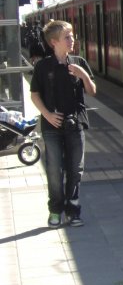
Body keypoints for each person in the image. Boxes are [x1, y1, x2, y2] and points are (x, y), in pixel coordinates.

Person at [29, 20, 97, 228]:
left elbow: (92, 91)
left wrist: (83, 75)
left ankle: (73, 210)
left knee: (75, 170)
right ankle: (55, 210)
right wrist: (48, 115)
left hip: (76, 124)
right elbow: (34, 95)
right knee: (54, 170)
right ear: (54, 42)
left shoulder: (78, 62)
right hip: (52, 126)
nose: (72, 40)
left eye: (72, 36)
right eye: (67, 37)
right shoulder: (42, 67)